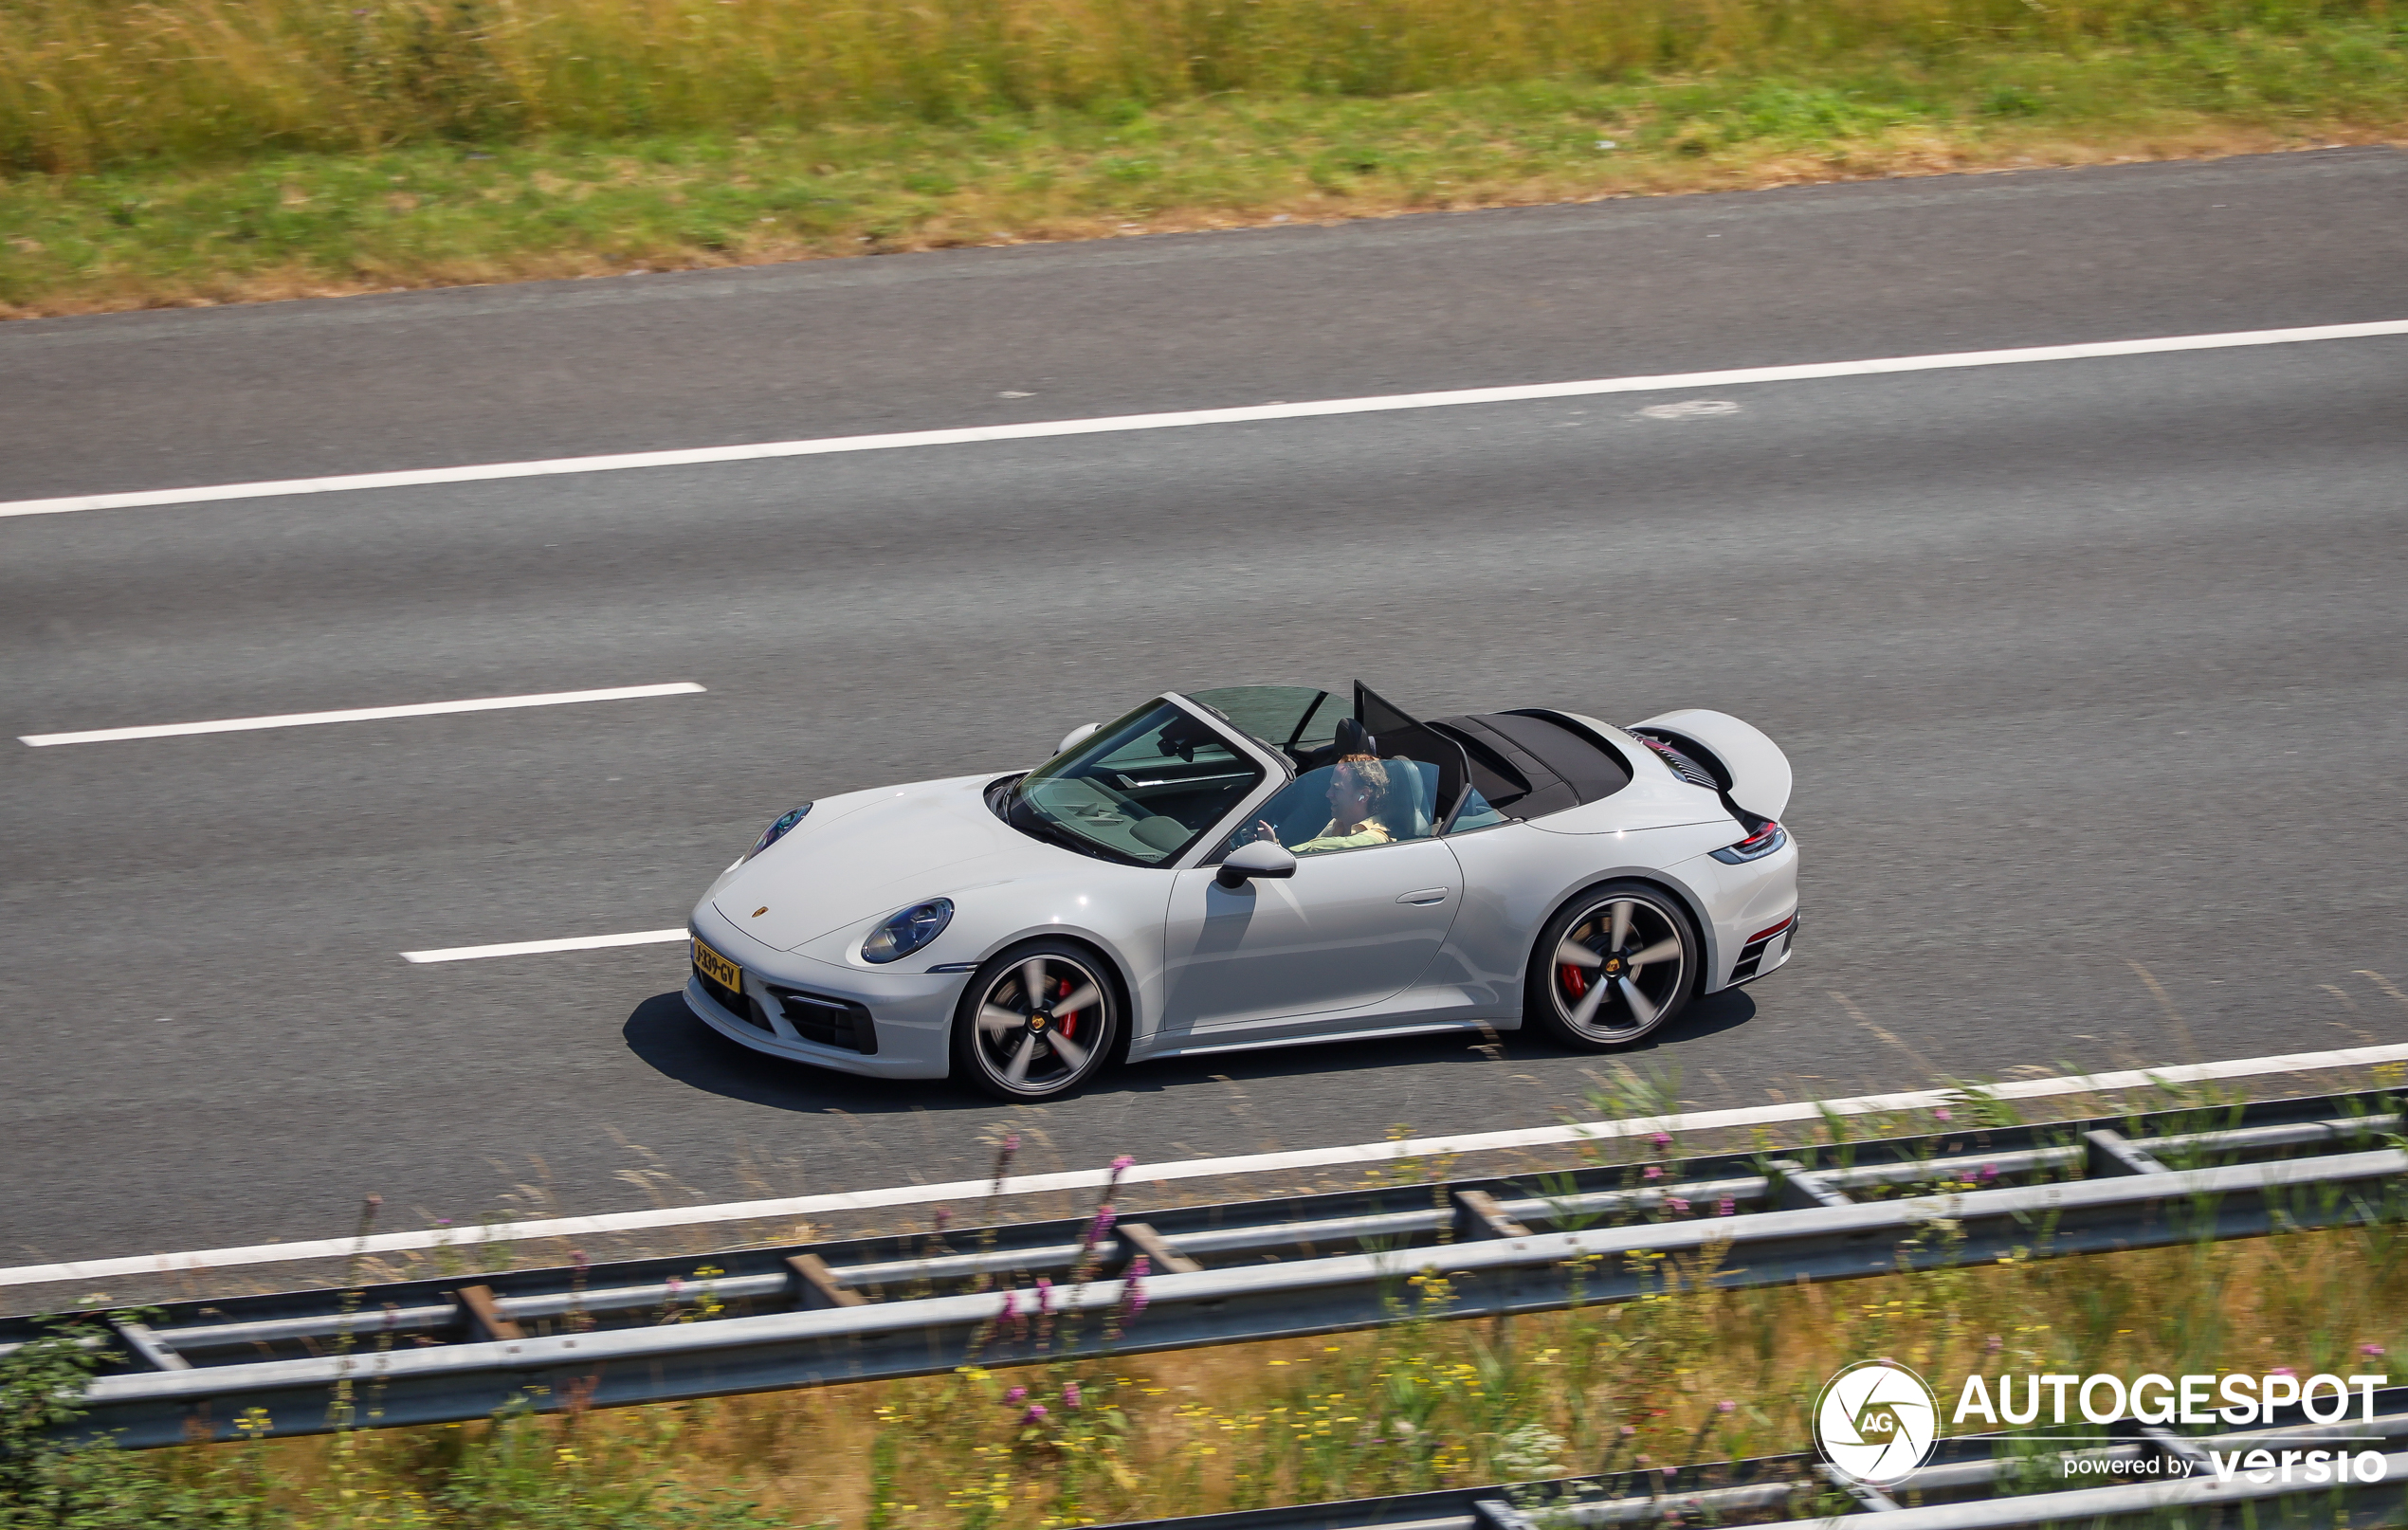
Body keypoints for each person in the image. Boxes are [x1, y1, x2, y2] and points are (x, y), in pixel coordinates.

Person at [1245, 754, 1396, 854]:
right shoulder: (1338, 823)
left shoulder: (1376, 840)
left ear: (1363, 795)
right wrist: (1272, 844)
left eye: (1337, 789)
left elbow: (1318, 849)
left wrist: (1280, 851)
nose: (1328, 794)